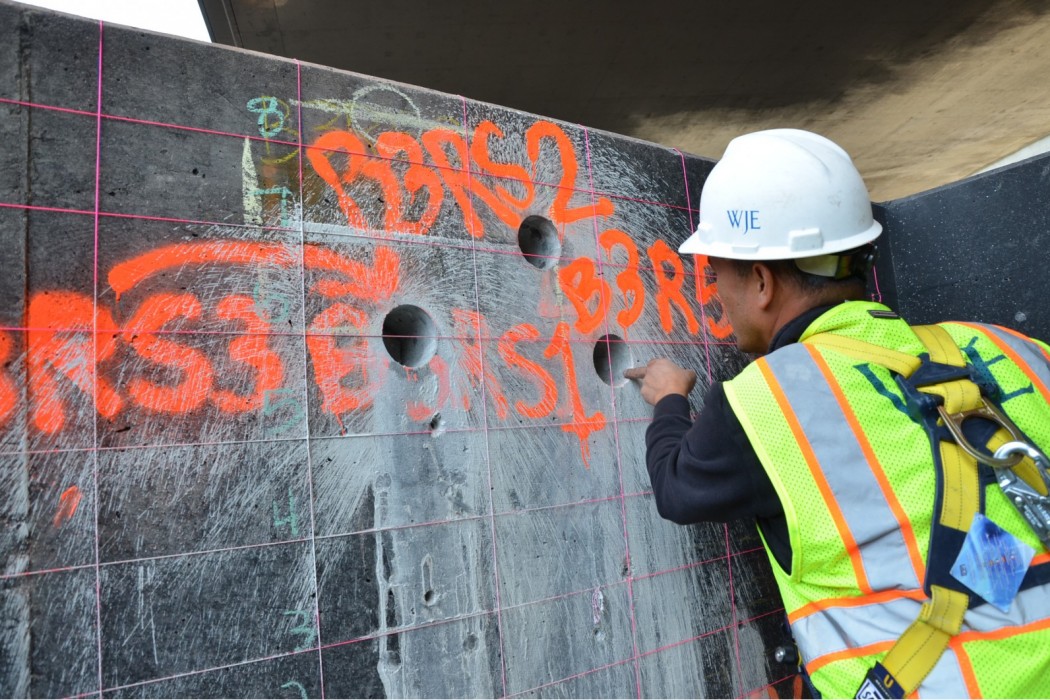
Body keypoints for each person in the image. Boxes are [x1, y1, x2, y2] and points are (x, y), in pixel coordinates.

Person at [624, 129, 1050, 698]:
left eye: (716, 272)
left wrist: (670, 399)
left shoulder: (765, 401)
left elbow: (677, 488)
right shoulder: (1015, 349)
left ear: (760, 281)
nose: (715, 293)